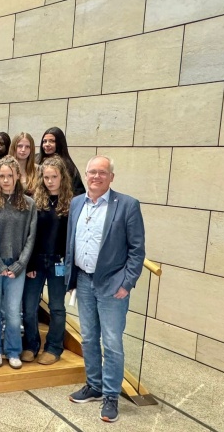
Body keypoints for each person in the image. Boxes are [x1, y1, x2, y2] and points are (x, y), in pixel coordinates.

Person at [66, 155, 145, 423]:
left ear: (111, 177)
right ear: (85, 175)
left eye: (102, 172)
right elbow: (71, 243)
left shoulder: (127, 205)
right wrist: (71, 279)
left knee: (111, 342)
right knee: (88, 337)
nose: (96, 177)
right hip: (84, 281)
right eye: (92, 172)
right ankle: (94, 386)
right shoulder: (77, 203)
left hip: (113, 286)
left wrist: (127, 282)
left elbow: (137, 250)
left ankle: (111, 394)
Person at [0, 156, 37, 370]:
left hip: (17, 266)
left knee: (14, 310)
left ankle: (13, 350)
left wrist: (19, 265)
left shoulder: (28, 204)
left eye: (10, 176)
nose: (6, 180)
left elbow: (31, 238)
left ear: (18, 176)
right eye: (2, 176)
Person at [22, 156, 73, 367]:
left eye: (54, 177)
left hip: (59, 263)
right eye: (46, 177)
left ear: (62, 178)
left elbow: (73, 239)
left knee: (57, 307)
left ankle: (53, 347)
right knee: (29, 305)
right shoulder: (36, 202)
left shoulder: (72, 203)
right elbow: (30, 234)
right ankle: (31, 344)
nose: (50, 181)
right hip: (37, 260)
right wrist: (30, 262)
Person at [38, 127, 86, 195]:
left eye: (51, 141)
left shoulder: (68, 166)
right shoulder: (37, 161)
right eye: (44, 141)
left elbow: (79, 193)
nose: (47, 144)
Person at [9, 132, 39, 196]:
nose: (23, 150)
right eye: (20, 146)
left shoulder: (38, 170)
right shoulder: (5, 168)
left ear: (31, 149)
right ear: (14, 147)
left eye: (27, 147)